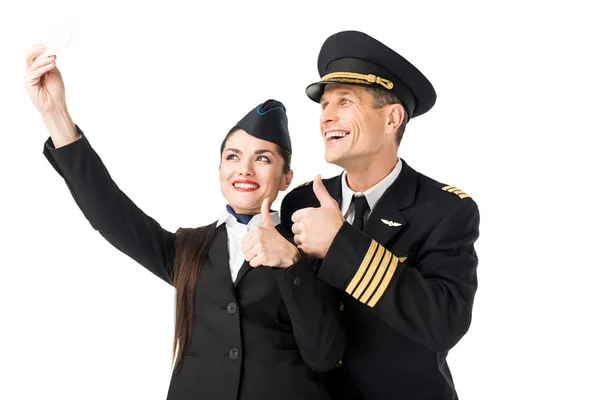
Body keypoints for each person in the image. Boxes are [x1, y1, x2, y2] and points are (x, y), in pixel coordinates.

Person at [24, 44, 345, 400]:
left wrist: (291, 263)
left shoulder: (311, 244)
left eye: (263, 158)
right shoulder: (190, 247)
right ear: (220, 169)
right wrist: (57, 116)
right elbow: (110, 214)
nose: (244, 168)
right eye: (233, 156)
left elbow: (325, 355)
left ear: (286, 177)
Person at [280, 31, 480, 400]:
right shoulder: (301, 202)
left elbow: (445, 323)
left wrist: (340, 244)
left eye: (344, 101)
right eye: (324, 105)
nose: (327, 116)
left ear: (392, 119)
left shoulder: (445, 209)